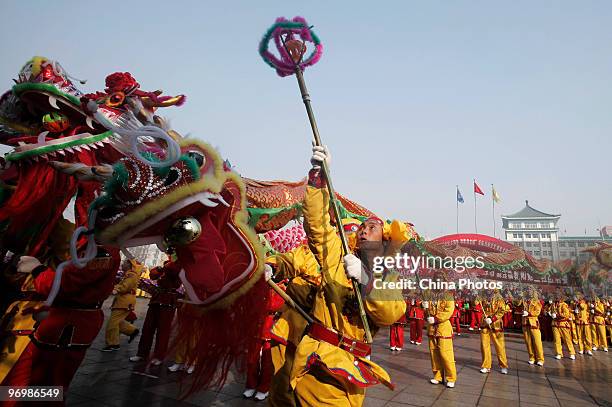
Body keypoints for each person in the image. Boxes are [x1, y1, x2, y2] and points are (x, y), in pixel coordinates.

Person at [271, 145, 407, 407]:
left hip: (352, 367)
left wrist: (367, 281)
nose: (363, 231)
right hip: (318, 358)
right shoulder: (338, 257)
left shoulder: (388, 275)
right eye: (361, 227)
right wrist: (318, 179)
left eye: (372, 227)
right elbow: (319, 226)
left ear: (385, 240)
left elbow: (390, 313)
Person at [2, 242, 120, 406]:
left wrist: (37, 269)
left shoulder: (100, 251)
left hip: (66, 328)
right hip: (64, 323)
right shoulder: (96, 248)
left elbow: (63, 284)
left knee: (47, 386)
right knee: (26, 384)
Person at [129, 259, 182, 363]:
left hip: (168, 301)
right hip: (156, 299)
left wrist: (168, 266)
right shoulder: (166, 264)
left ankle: (159, 356)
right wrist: (161, 268)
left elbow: (175, 274)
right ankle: (142, 353)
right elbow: (153, 275)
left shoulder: (180, 265)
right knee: (147, 328)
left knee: (163, 330)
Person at [103, 259, 143, 351]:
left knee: (112, 323)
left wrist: (115, 288)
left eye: (124, 263)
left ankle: (113, 344)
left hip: (124, 302)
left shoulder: (131, 275)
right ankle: (132, 331)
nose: (122, 264)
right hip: (124, 301)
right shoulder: (129, 275)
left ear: (129, 265)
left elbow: (125, 287)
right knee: (117, 321)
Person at [425, 291, 457, 388]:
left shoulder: (448, 296)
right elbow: (424, 309)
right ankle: (437, 376)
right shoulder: (429, 294)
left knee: (446, 353)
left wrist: (436, 319)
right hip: (432, 328)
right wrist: (422, 306)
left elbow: (449, 311)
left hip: (443, 329)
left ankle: (451, 377)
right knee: (434, 354)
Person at [479, 291, 508, 374]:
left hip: (496, 324)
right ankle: (486, 365)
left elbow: (502, 310)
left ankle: (503, 365)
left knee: (499, 346)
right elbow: (476, 304)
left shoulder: (499, 298)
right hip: (485, 323)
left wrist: (493, 319)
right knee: (484, 346)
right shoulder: (482, 295)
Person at [522, 287, 544, 366]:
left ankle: (540, 359)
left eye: (530, 290)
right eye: (527, 290)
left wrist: (529, 313)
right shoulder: (524, 300)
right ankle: (532, 357)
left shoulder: (536, 301)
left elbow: (537, 312)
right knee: (528, 342)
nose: (528, 291)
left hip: (533, 322)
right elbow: (516, 303)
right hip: (525, 323)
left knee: (537, 342)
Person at [550, 294, 575, 360]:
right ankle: (559, 353)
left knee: (567, 339)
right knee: (556, 340)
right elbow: (551, 311)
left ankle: (572, 353)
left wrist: (557, 315)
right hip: (555, 324)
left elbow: (566, 314)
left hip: (563, 324)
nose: (556, 298)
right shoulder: (553, 304)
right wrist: (550, 313)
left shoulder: (564, 305)